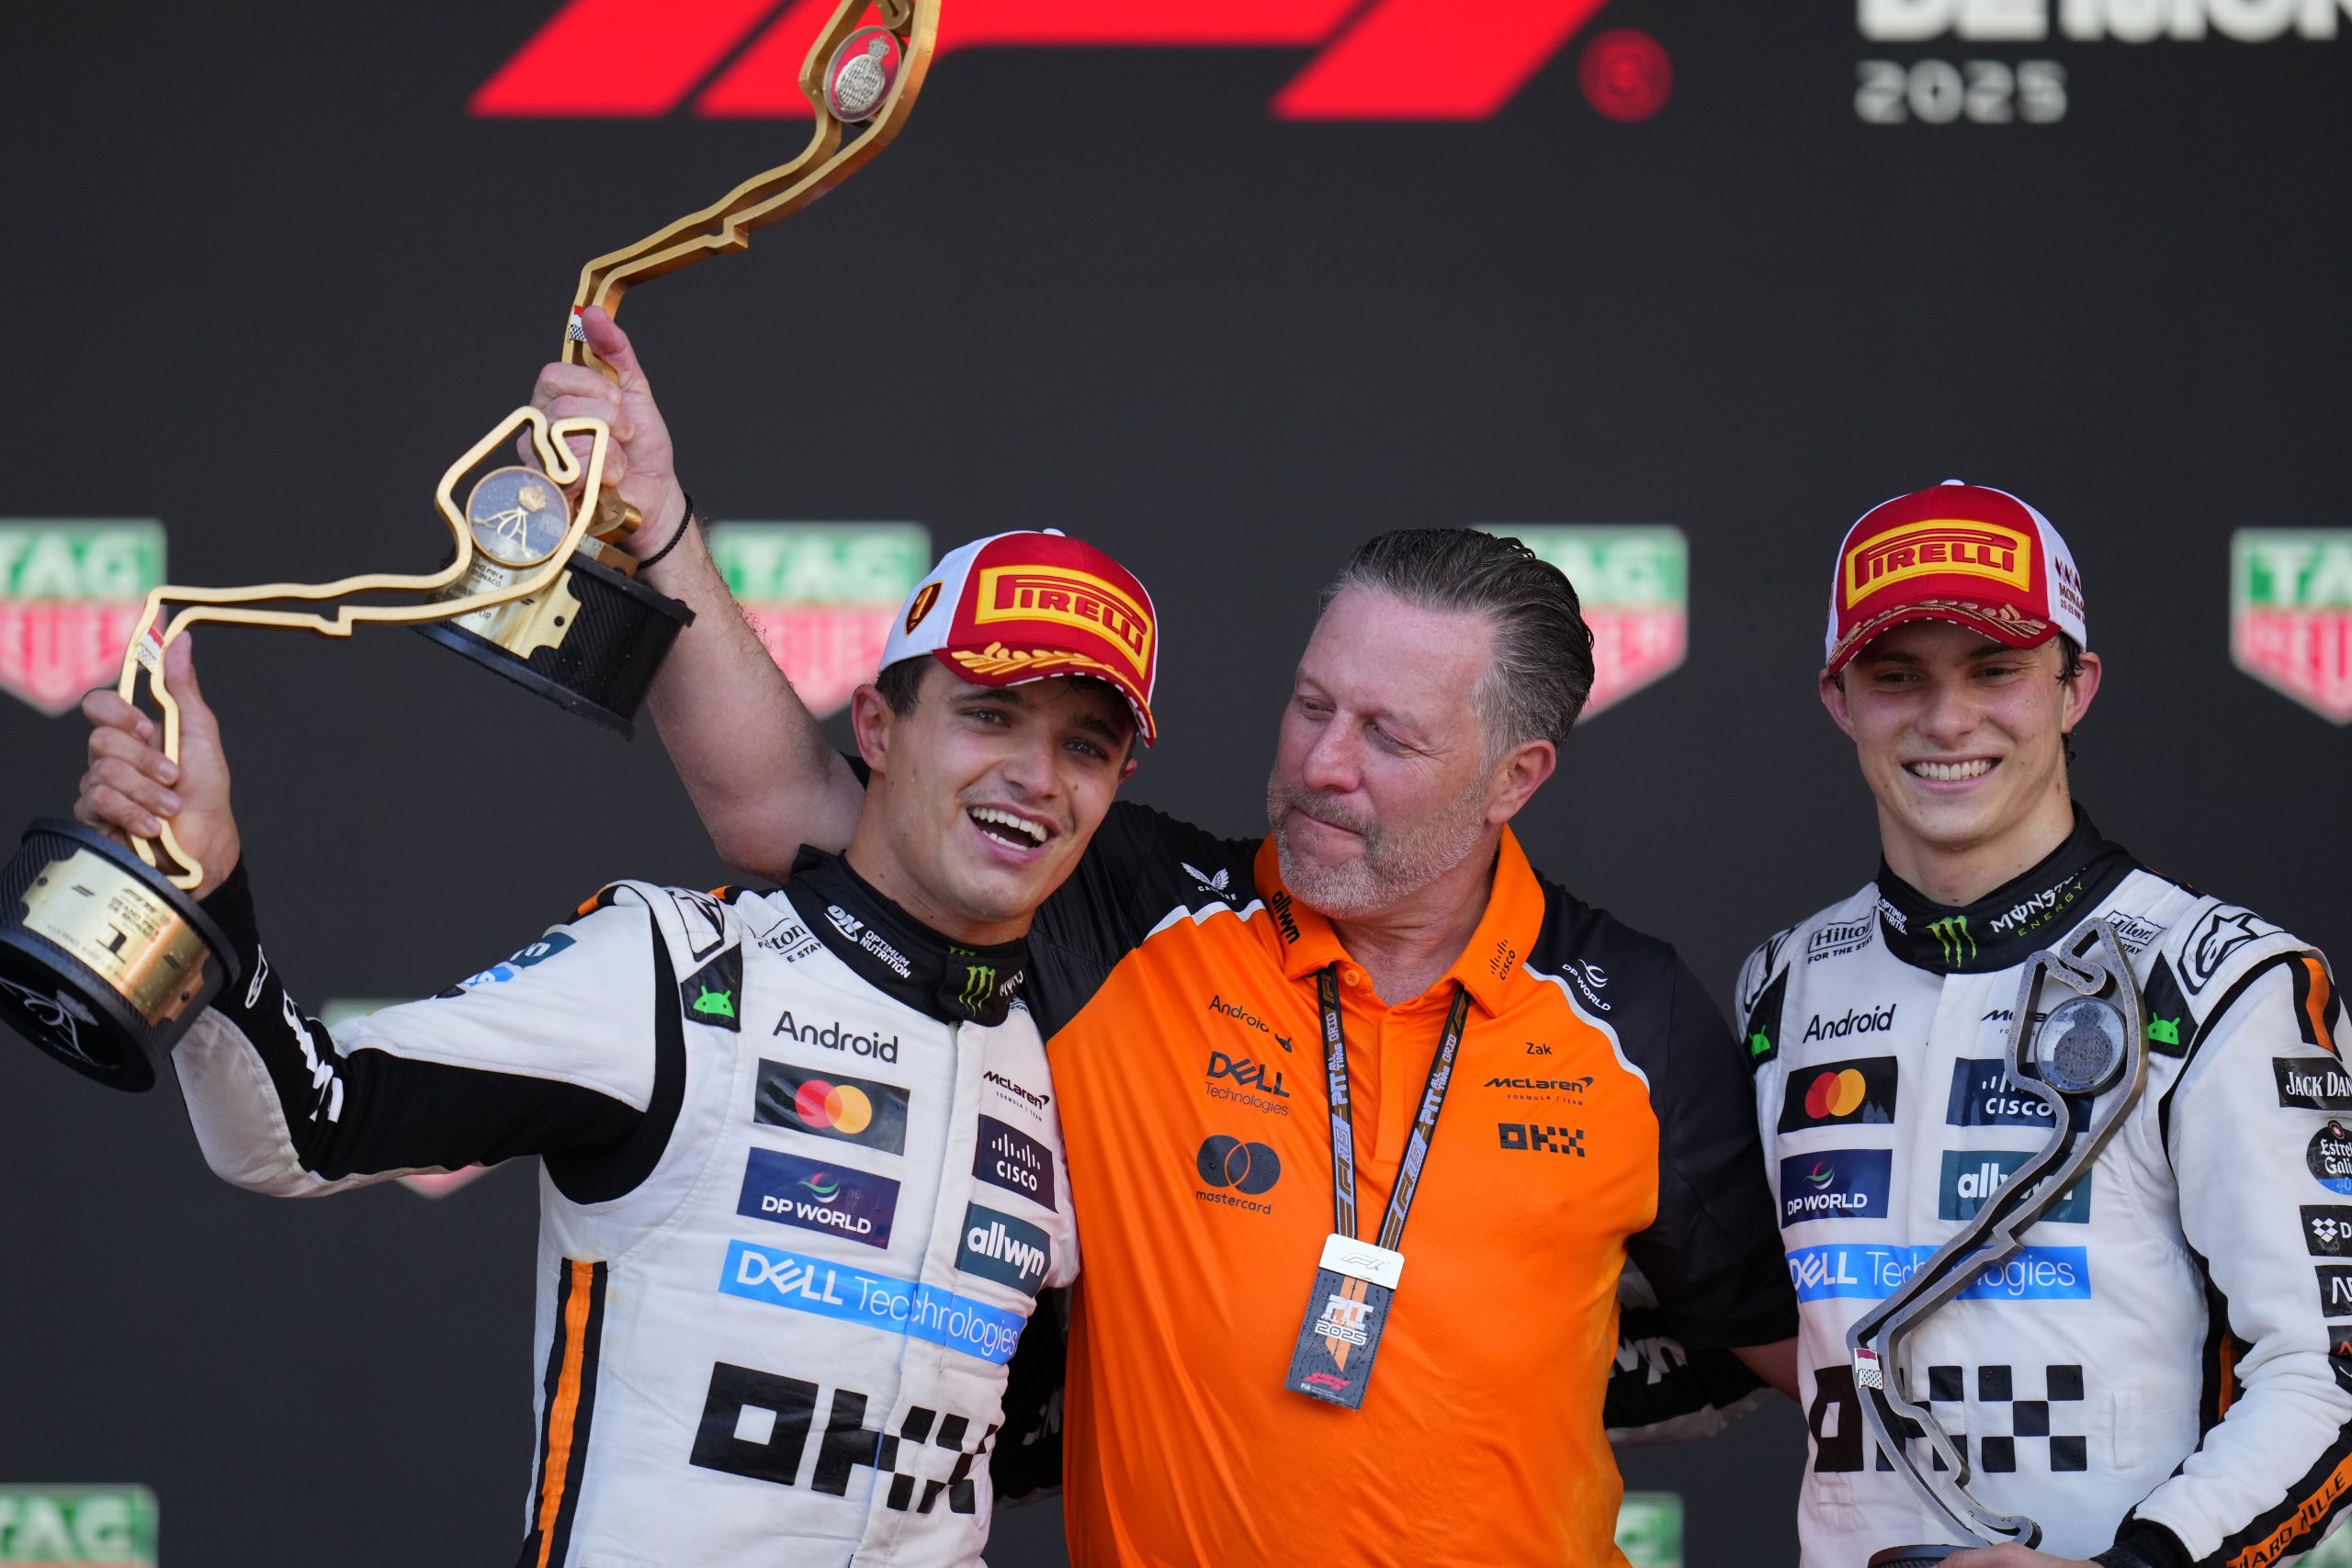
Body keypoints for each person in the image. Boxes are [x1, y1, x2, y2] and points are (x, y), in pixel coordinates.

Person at [522, 312, 1803, 1564]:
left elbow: (1806, 1346)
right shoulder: (1128, 906)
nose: (1323, 764)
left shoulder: (1632, 1015)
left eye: (1389, 736)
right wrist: (660, 523)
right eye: (1313, 704)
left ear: (1514, 777)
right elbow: (779, 808)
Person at [73, 525, 1162, 1568]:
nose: (1037, 775)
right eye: (990, 716)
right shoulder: (677, 970)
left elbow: (1027, 1442)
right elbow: (299, 1128)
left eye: (1085, 745)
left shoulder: (1081, 1065)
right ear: (876, 729)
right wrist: (205, 891)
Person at [1737, 480, 2352, 1566]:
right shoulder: (1785, 985)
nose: (1945, 720)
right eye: (1896, 676)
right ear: (1838, 699)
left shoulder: (2221, 980)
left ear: (2075, 689)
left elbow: (2328, 1372)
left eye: (1995, 670)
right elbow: (1742, 1318)